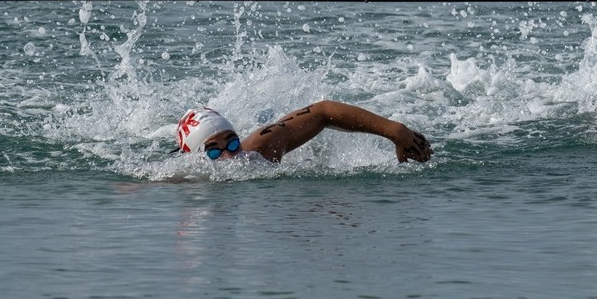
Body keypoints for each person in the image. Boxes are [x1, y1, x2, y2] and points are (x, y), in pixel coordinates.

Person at [174, 101, 433, 164]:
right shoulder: (183, 178)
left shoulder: (261, 150)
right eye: (214, 151)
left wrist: (394, 130)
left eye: (233, 144)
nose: (231, 158)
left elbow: (322, 111)